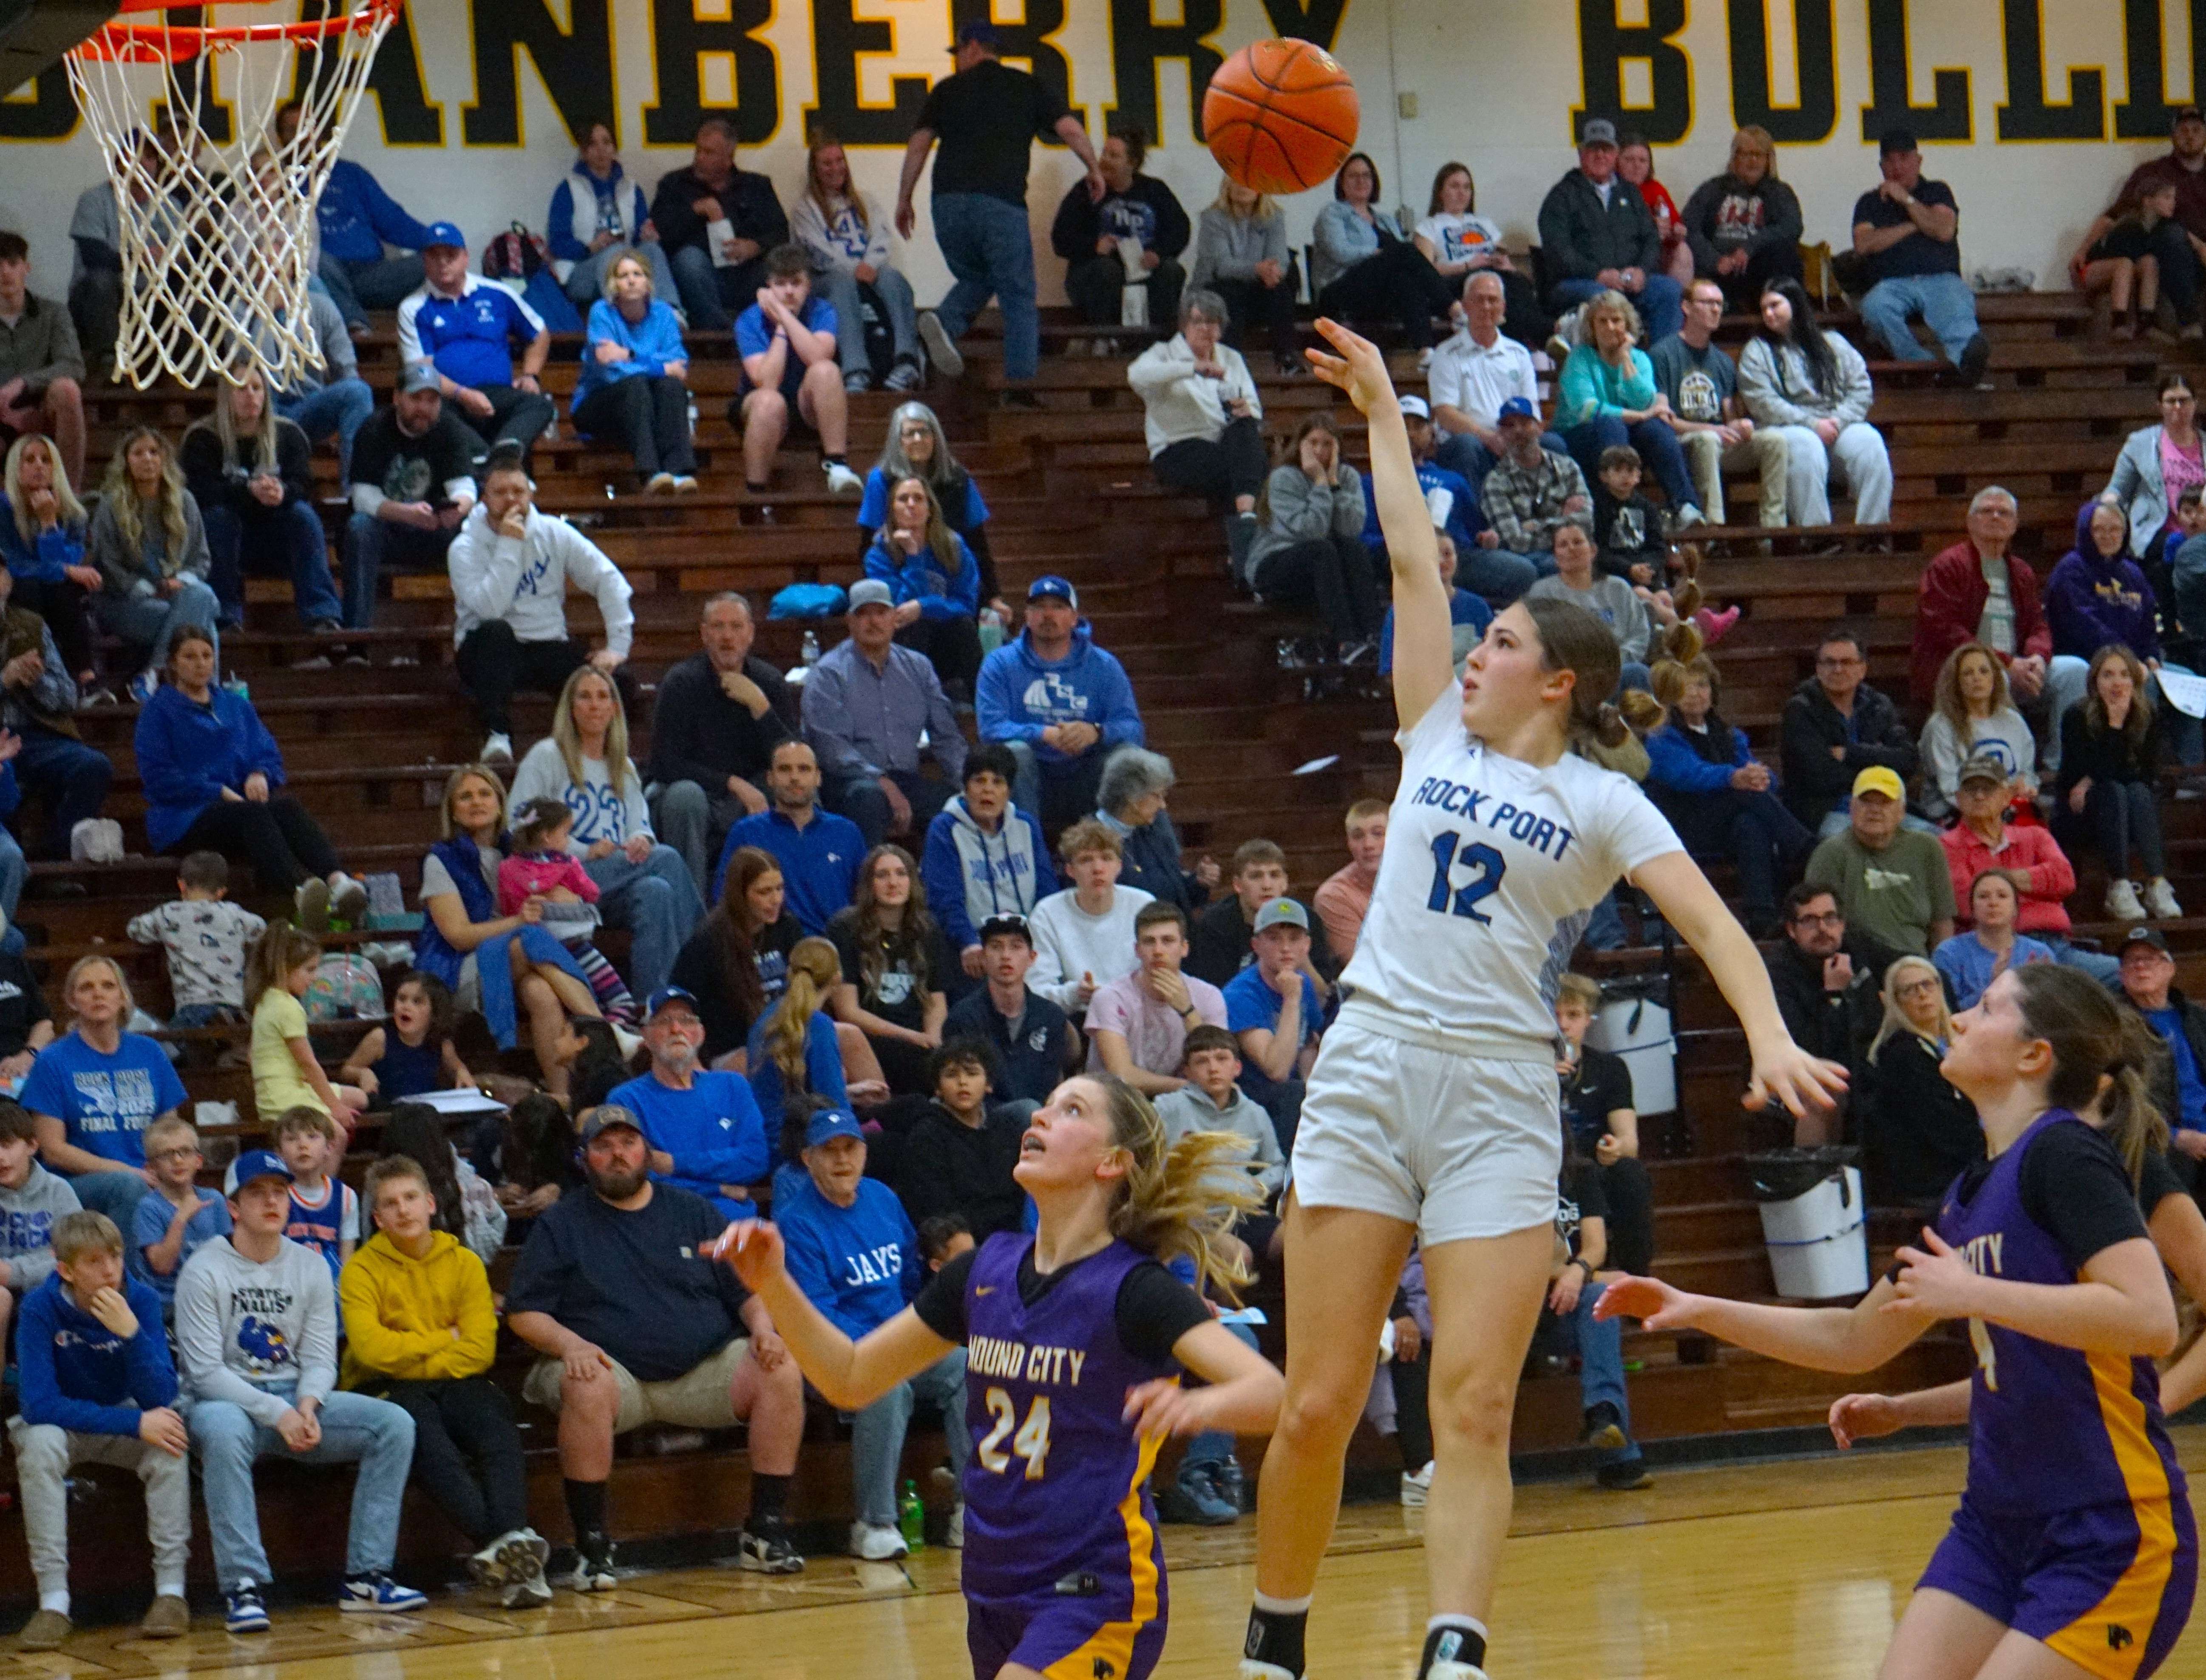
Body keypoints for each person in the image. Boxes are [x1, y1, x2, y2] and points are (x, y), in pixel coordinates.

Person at [1239, 314, 1843, 1680]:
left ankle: (1454, 1651)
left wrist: (1764, 1030)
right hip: (1372, 1060)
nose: (1472, 644)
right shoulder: (1431, 725)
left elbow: (1707, 923)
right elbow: (1407, 552)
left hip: (1501, 1092)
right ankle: (1272, 1646)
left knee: (1473, 1400)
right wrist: (1388, 414)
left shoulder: (1599, 796)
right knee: (1320, 1399)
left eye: (1498, 637)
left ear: (1554, 678)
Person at [1599, 963, 2193, 1680]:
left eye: (1988, 1006)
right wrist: (1697, 1306)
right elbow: (1854, 1338)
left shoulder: (2065, 1154)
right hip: (1995, 1525)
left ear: (2035, 1055)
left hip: (2105, 1529)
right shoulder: (1968, 1195)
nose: (1962, 1015)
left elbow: (2151, 1319)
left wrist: (1975, 1291)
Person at [719, 1073, 1282, 1680]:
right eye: (1044, 1104)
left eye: (1070, 1110)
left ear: (1112, 1162)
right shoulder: (980, 1271)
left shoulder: (1136, 1290)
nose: (1039, 1117)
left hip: (1094, 1592)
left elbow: (1272, 1395)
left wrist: (1196, 1409)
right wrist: (773, 1284)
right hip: (993, 1587)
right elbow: (850, 1378)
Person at [504, 1104, 808, 1586]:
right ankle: (593, 1546)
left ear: (645, 1150)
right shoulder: (561, 1223)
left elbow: (744, 1292)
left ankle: (765, 1529)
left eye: (627, 1142)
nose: (618, 1154)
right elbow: (523, 1311)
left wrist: (764, 1330)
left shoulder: (694, 1211)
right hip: (611, 1372)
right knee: (585, 1381)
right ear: (585, 1159)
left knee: (781, 1368)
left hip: (699, 1371)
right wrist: (570, 1343)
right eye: (603, 1146)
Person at [179, 1148, 428, 1632]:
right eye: (257, 1193)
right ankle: (244, 1585)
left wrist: (309, 1404)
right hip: (225, 1402)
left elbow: (319, 1357)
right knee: (226, 1430)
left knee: (393, 1423)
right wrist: (279, 1412)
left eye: (279, 1190)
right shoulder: (204, 1268)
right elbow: (205, 1371)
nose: (272, 1201)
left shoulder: (312, 1266)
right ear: (233, 1206)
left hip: (297, 1398)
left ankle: (366, 1576)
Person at [341, 1154, 552, 1607]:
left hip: (450, 1376)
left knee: (494, 1420)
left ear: (431, 1203)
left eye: (411, 1198)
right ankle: (508, 1543)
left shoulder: (464, 1263)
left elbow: (480, 1349)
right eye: (391, 1204)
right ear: (378, 1218)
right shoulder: (361, 1270)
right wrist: (443, 1338)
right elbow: (373, 1352)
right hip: (380, 1384)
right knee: (423, 1431)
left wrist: (412, 1346)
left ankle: (507, 1547)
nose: (404, 1210)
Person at [776, 1105, 970, 1558]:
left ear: (864, 1152)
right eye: (830, 1151)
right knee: (886, 1384)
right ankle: (874, 1521)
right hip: (833, 1353)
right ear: (808, 1159)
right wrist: (888, 1349)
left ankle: (973, 1511)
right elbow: (818, 1314)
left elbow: (908, 1278)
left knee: (969, 1365)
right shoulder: (797, 1221)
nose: (843, 1160)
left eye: (851, 1148)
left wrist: (912, 1333)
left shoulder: (883, 1198)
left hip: (896, 1342)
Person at [10, 1209, 190, 1649]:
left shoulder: (142, 1299)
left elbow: (160, 1395)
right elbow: (38, 1404)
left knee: (171, 1438)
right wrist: (133, 1421)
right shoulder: (39, 1306)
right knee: (38, 1444)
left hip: (125, 1417)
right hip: (67, 1424)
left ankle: (171, 1592)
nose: (110, 1269)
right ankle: (53, 1601)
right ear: (66, 1269)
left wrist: (131, 1334)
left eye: (114, 1255)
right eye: (94, 1261)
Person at [898, 20, 1105, 397]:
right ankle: (1021, 387)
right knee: (1017, 293)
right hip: (1000, 205)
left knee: (979, 276)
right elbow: (1070, 130)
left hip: (947, 205)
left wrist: (904, 198)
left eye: (959, 52)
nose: (958, 60)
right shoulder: (1026, 86)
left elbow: (918, 144)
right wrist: (1092, 167)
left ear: (973, 46)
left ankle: (942, 324)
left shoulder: (946, 90)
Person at [133, 628, 363, 919]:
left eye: (206, 655)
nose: (200, 663)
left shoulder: (235, 706)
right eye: (190, 657)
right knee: (252, 814)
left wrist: (260, 773)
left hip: (240, 807)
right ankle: (300, 892)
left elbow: (267, 752)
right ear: (174, 664)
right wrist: (215, 791)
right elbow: (159, 777)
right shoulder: (157, 713)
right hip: (186, 818)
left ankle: (338, 881)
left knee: (286, 807)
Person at [510, 665, 705, 997]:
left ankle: (653, 1007)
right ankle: (705, 958)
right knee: (668, 861)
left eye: (603, 697)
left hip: (611, 882)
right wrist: (584, 851)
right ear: (571, 708)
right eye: (585, 697)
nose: (595, 705)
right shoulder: (547, 756)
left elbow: (638, 825)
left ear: (615, 708)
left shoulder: (622, 765)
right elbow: (518, 824)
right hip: (559, 882)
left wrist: (641, 840)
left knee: (656, 891)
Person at [415, 765, 603, 1099]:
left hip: (518, 960)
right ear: (453, 809)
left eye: (485, 793)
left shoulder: (519, 850)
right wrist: (519, 921)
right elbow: (458, 935)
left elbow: (563, 883)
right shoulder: (440, 859)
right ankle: (600, 1027)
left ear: (501, 803)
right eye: (466, 796)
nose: (477, 802)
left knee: (541, 991)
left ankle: (562, 1099)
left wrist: (565, 895)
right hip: (458, 966)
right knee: (526, 942)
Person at [1645, 653, 1811, 938]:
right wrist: (1734, 777)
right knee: (1745, 796)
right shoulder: (1660, 735)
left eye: (1702, 685)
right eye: (1685, 687)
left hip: (1725, 822)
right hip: (1682, 826)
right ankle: (1807, 849)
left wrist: (1761, 777)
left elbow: (1757, 774)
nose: (1695, 694)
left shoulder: (1729, 734)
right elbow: (1687, 775)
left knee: (1751, 823)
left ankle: (1761, 916)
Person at [21, 955, 189, 1233]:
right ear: (71, 1001)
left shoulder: (150, 1052)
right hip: (77, 1182)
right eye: (86, 987)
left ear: (123, 997)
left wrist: (168, 1169)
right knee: (130, 1187)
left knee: (211, 1200)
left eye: (108, 986)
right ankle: (129, 1277)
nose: (98, 993)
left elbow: (171, 1132)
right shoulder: (52, 1060)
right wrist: (125, 1170)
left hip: (148, 1174)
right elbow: (53, 1150)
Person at [647, 592, 792, 897]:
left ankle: (788, 910)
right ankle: (693, 916)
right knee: (685, 797)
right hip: (696, 794)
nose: (727, 636)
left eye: (737, 627)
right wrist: (733, 783)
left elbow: (791, 757)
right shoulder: (681, 682)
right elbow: (665, 762)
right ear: (704, 634)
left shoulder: (770, 681)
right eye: (718, 626)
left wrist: (761, 707)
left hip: (749, 795)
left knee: (796, 788)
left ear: (751, 633)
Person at [178, 366, 340, 633]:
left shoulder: (288, 434)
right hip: (224, 544)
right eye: (241, 388)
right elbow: (199, 492)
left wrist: (283, 492)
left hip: (276, 540)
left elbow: (303, 484)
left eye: (257, 388)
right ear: (226, 396)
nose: (250, 396)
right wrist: (248, 491)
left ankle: (322, 614)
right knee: (218, 518)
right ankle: (226, 616)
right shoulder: (203, 437)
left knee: (303, 514)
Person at [802, 580, 963, 849]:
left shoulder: (919, 668)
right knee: (870, 798)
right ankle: (865, 885)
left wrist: (966, 786)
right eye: (863, 614)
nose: (873, 622)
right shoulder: (828, 673)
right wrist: (882, 782)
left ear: (895, 618)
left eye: (881, 613)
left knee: (954, 806)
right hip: (849, 783)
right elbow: (831, 748)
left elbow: (946, 736)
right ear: (849, 622)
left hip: (906, 778)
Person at [976, 576, 1145, 831]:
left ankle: (1133, 859)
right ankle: (1028, 849)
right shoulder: (1000, 664)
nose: (1048, 615)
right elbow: (990, 728)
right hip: (1027, 776)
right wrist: (1044, 734)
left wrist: (1096, 732)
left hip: (1086, 773)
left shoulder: (1104, 666)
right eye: (1038, 607)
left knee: (1131, 759)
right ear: (1027, 616)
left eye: (1058, 607)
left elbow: (1133, 728)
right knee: (1016, 753)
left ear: (1075, 618)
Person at [1940, 755, 2117, 986]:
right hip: (1994, 949)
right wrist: (2036, 883)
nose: (1980, 796)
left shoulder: (2034, 835)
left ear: (2006, 797)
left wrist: (2001, 882)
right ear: (1958, 799)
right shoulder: (1947, 845)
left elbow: (2065, 879)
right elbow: (1966, 903)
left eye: (1988, 789)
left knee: (2122, 974)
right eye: (1971, 790)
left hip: (2056, 946)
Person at [1129, 289, 1267, 569]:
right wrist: (1191, 368)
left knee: (1246, 430)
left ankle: (1245, 527)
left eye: (1213, 322)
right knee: (1253, 467)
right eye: (1199, 321)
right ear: (1184, 325)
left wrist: (1244, 408)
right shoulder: (1163, 354)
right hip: (1178, 449)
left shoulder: (1231, 358)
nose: (1206, 328)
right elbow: (1137, 376)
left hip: (1226, 442)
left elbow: (1254, 404)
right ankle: (1248, 527)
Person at [1737, 279, 1893, 527]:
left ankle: (1872, 532)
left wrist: (1838, 421)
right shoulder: (1757, 351)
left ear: (1795, 304)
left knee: (1870, 441)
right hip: (1788, 427)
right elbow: (1763, 403)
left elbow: (1861, 389)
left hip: (1838, 423)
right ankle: (1816, 535)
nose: (1768, 313)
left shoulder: (1834, 342)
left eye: (1775, 305)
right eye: (1764, 308)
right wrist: (1811, 424)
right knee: (1805, 443)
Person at [609, 986, 772, 1222]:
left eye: (687, 1020)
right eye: (665, 1021)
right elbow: (642, 1179)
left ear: (701, 1033)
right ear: (646, 1035)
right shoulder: (626, 1100)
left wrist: (674, 1163)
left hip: (739, 1229)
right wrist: (719, 1189)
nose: (677, 1029)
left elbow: (756, 1160)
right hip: (670, 1228)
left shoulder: (733, 1086)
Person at [396, 226, 555, 462]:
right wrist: (463, 394)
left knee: (540, 406)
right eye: (434, 256)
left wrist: (531, 375)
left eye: (450, 256)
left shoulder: (498, 293)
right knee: (431, 414)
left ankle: (505, 451)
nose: (443, 263)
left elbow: (539, 333)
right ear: (424, 261)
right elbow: (422, 372)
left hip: (499, 393)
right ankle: (487, 461)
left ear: (466, 258)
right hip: (448, 399)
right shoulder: (413, 308)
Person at [343, 363, 479, 632]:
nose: (424, 408)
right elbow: (363, 498)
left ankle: (470, 633)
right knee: (359, 527)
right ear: (397, 398)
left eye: (432, 401)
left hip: (433, 529)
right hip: (389, 530)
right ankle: (356, 641)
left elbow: (465, 489)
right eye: (416, 399)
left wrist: (456, 511)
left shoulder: (449, 429)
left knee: (478, 527)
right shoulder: (374, 429)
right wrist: (408, 514)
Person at [86, 427, 218, 703]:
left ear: (164, 459)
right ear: (126, 461)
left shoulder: (185, 501)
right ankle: (207, 692)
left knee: (198, 600)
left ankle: (153, 674)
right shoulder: (110, 505)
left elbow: (201, 559)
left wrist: (180, 581)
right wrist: (147, 589)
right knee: (202, 617)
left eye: (154, 452)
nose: (147, 459)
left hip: (177, 596)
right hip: (124, 601)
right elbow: (107, 566)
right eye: (138, 453)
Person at [1851, 128, 1991, 385]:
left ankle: (1966, 365)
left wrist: (1905, 200)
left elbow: (1943, 230)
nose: (1897, 166)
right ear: (1881, 166)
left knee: (1955, 306)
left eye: (1904, 158)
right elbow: (1865, 244)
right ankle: (1925, 366)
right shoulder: (1869, 203)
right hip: (1891, 284)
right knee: (1874, 308)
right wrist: (1915, 226)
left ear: (1918, 161)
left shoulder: (1937, 191)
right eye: (1890, 160)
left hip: (1940, 279)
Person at [2056, 643, 2181, 923]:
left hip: (2131, 812)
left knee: (2135, 791)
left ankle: (2158, 884)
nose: (2117, 683)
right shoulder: (2076, 716)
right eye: (2108, 675)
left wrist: (2091, 778)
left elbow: (2146, 776)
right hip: (2084, 814)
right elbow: (2072, 776)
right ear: (2094, 681)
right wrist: (2113, 726)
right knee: (2113, 790)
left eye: (2124, 674)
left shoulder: (2147, 714)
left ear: (2134, 681)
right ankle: (2119, 885)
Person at [1554, 288, 1701, 523]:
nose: (1610, 327)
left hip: (1622, 436)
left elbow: (1646, 401)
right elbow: (1587, 410)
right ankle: (1618, 510)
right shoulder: (1580, 358)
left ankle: (1685, 506)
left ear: (1628, 324)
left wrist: (1625, 358)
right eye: (1602, 321)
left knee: (1657, 430)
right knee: (1611, 426)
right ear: (1592, 327)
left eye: (1617, 321)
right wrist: (1639, 416)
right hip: (1580, 435)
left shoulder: (1640, 359)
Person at [1652, 278, 1789, 527]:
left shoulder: (1723, 361)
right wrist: (1712, 430)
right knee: (1707, 440)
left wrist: (1741, 425)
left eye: (1720, 304)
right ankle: (1714, 529)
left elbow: (1728, 417)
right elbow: (1663, 420)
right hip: (1682, 443)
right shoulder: (1663, 354)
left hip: (1719, 441)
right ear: (1686, 307)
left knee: (1774, 441)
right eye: (1708, 303)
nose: (1716, 310)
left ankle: (1774, 528)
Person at [791, 130, 922, 394]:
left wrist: (871, 264)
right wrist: (855, 270)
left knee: (893, 278)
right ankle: (855, 370)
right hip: (826, 279)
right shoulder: (805, 209)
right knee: (841, 284)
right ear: (815, 170)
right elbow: (818, 252)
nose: (835, 168)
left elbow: (881, 237)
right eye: (827, 163)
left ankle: (907, 361)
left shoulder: (865, 201)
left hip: (866, 271)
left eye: (839, 161)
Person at [1246, 412, 1381, 660]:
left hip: (1323, 569)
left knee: (1354, 549)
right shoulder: (1283, 478)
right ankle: (1345, 642)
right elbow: (1310, 532)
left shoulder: (1348, 477)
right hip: (1275, 563)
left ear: (1338, 448)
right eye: (1313, 443)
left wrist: (1333, 483)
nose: (1319, 451)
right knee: (1321, 550)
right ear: (1300, 445)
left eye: (1327, 444)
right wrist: (1320, 483)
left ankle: (1375, 638)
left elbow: (1351, 529)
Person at [1537, 116, 1684, 343]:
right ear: (1581, 154)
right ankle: (1609, 368)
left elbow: (1651, 240)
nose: (1600, 155)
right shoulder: (1561, 197)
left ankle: (1659, 369)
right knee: (1605, 299)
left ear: (1615, 155)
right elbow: (1558, 252)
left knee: (1669, 291)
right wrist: (1598, 274)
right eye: (1593, 149)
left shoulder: (1631, 193)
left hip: (1630, 283)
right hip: (1580, 284)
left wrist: (1642, 272)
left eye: (1606, 149)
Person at [1765, 883, 1896, 1138]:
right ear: (1792, 930)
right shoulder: (1779, 972)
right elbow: (1807, 1047)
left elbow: (1908, 964)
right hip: (1806, 1070)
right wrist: (1834, 995)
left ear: (1843, 924)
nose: (1823, 929)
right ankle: (1818, 1175)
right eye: (1810, 921)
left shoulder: (1857, 948)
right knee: (1824, 1093)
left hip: (1867, 1063)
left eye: (1830, 918)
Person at [0, 555, 106, 867]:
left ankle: (56, 857)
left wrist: (36, 682)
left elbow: (68, 698)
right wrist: (5, 680)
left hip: (37, 736)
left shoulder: (30, 624)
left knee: (93, 765)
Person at [733, 243, 862, 497]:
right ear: (768, 286)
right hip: (760, 406)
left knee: (826, 370)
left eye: (797, 283)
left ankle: (837, 465)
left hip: (807, 402)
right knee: (770, 401)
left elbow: (818, 357)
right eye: (781, 283)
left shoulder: (822, 311)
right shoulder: (749, 320)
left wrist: (783, 315)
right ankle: (755, 492)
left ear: (808, 286)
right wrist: (782, 328)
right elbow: (766, 381)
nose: (789, 291)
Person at [856, 403, 1006, 620]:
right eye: (910, 434)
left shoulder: (959, 480)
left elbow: (978, 543)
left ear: (936, 437)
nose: (918, 439)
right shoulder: (880, 480)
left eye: (924, 432)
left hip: (951, 582)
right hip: (899, 584)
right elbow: (869, 544)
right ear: (897, 441)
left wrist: (994, 597)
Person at [1908, 488, 2053, 712]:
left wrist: (2037, 658)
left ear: (2014, 525)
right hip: (1961, 669)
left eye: (2003, 513)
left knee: (2073, 672)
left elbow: (2038, 624)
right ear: (1970, 522)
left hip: (2017, 666)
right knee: (1992, 680)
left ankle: (2059, 749)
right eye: (1987, 511)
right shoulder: (1948, 566)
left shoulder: (2022, 572)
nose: (1995, 517)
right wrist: (2004, 663)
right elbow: (1944, 629)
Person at [1857, 955, 1983, 1212]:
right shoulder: (1902, 1054)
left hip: (1958, 1162)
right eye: (1909, 990)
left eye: (1928, 984)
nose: (1922, 995)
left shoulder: (1954, 1043)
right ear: (1895, 1002)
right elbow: (1941, 1127)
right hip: (1931, 1176)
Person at [498, 799, 637, 1026]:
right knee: (621, 1000)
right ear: (547, 837)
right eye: (565, 834)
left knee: (589, 993)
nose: (568, 841)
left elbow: (508, 907)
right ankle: (613, 1029)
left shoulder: (507, 868)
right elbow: (592, 892)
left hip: (535, 942)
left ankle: (603, 1028)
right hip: (574, 943)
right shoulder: (566, 864)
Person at [828, 844, 951, 1095]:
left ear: (913, 881)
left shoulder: (928, 929)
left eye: (901, 873)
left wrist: (933, 1040)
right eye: (882, 875)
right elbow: (848, 1011)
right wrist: (913, 1038)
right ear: (868, 885)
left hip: (917, 1039)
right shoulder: (845, 929)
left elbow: (936, 1001)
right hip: (869, 1040)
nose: (893, 883)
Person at [1553, 975, 1654, 1278]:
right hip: (1549, 1165)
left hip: (1594, 1161)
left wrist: (1615, 1148)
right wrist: (1544, 1079)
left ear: (1588, 1020)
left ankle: (1636, 1277)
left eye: (1573, 1015)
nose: (1563, 1025)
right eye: (1555, 1015)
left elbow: (1629, 1141)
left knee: (1630, 1173)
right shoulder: (1527, 1069)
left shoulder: (1610, 1068)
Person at [1426, 271, 1563, 492]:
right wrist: (1489, 438)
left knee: (1553, 444)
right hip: (1469, 442)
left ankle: (1551, 518)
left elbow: (1532, 409)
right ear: (1465, 306)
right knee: (1466, 446)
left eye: (1493, 300)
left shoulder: (1518, 353)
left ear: (1503, 307)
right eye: (1479, 300)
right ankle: (1474, 524)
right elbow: (1445, 414)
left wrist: (1516, 437)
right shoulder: (1445, 354)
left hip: (1514, 438)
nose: (1487, 307)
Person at [573, 250, 697, 494]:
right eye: (623, 276)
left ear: (648, 282)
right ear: (613, 285)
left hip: (647, 403)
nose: (631, 280)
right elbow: (609, 367)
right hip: (598, 405)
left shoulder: (663, 313)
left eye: (637, 274)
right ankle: (651, 474)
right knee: (637, 385)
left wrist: (629, 356)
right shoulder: (602, 311)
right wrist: (659, 366)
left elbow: (679, 367)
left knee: (670, 387)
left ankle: (679, 473)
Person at [301, 105, 435, 329]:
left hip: (371, 276)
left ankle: (347, 307)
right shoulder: (278, 182)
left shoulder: (351, 175)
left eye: (307, 129)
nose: (301, 136)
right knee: (317, 259)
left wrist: (437, 242)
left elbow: (393, 221)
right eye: (291, 129)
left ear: (320, 133)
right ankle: (356, 323)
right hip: (323, 278)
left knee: (431, 261)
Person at [1778, 624, 1918, 836]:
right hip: (1827, 812)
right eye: (1829, 663)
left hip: (1886, 810)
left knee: (1936, 841)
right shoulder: (1801, 710)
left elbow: (1908, 758)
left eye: (1846, 662)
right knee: (1855, 845)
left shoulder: (1879, 705)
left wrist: (1851, 753)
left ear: (1862, 669)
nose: (1838, 670)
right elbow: (1819, 777)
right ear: (1818, 669)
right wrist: (1880, 769)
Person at [1052, 123, 1189, 340]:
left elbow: (1180, 230)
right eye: (1104, 153)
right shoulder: (1085, 191)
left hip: (1142, 270)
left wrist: (1158, 252)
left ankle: (1158, 342)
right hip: (1097, 273)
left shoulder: (1155, 190)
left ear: (1132, 163)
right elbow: (1060, 239)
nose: (1104, 160)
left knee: (1172, 271)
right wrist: (1095, 246)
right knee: (1106, 271)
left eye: (1114, 156)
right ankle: (1104, 339)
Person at [651, 117, 789, 332]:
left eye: (709, 153)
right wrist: (694, 211)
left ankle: (762, 331)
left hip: (747, 275)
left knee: (778, 267)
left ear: (728, 159)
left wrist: (755, 246)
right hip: (701, 279)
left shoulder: (756, 186)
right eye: (698, 150)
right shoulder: (675, 185)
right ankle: (723, 333)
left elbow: (781, 233)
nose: (699, 158)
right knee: (689, 260)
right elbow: (659, 234)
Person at [1311, 152, 1452, 360]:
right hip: (1340, 290)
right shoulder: (1332, 214)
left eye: (1366, 176)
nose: (1361, 181)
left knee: (1405, 279)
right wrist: (1375, 253)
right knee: (1404, 251)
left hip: (1377, 293)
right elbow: (1340, 252)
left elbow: (1400, 262)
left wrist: (1386, 257)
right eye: (1353, 176)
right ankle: (1452, 307)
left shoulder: (1385, 220)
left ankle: (1426, 351)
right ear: (1342, 182)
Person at [718, 738, 866, 934]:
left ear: (818, 777)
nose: (795, 777)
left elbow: (867, 902)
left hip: (835, 952)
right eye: (785, 769)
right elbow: (726, 900)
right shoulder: (746, 833)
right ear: (770, 778)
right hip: (771, 950)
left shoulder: (848, 833)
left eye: (804, 769)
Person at [1805, 767, 1956, 958]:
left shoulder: (1927, 848)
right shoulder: (1830, 853)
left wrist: (1941, 973)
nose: (1875, 810)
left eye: (1885, 802)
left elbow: (1942, 922)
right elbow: (1817, 925)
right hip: (1858, 967)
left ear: (1902, 811)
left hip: (1915, 967)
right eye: (1866, 802)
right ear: (1851, 808)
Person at [1087, 901, 1229, 1097]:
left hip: (1185, 1102)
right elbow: (1122, 1075)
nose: (1158, 951)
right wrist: (1187, 1087)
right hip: (1118, 1102)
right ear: (1137, 950)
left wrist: (1188, 1011)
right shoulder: (1111, 998)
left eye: (1168, 941)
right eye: (1149, 942)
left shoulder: (1209, 996)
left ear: (1184, 948)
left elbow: (1218, 1067)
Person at [896, 1038, 1031, 1238]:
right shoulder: (925, 1137)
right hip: (962, 1246)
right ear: (938, 1088)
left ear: (989, 1085)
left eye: (972, 1073)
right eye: (952, 1075)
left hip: (1016, 1239)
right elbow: (934, 1215)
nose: (962, 1082)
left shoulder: (1008, 1129)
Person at [865, 473, 984, 695]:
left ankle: (978, 708)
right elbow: (899, 610)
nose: (911, 504)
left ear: (930, 509)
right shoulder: (879, 555)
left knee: (964, 626)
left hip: (948, 638)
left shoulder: (954, 546)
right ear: (892, 510)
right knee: (915, 626)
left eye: (918, 498)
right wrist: (913, 557)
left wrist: (924, 606)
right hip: (904, 640)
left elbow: (967, 604)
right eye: (903, 499)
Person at [1414, 162, 1549, 352]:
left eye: (1466, 187)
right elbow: (1426, 271)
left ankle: (1525, 349)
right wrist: (1468, 265)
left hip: (1492, 275)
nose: (1462, 193)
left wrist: (1505, 263)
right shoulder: (1429, 226)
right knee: (1501, 291)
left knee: (1518, 283)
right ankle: (1545, 337)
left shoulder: (1484, 223)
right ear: (1440, 192)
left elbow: (1500, 252)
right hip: (1458, 280)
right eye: (1455, 186)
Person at [942, 913, 1075, 1107]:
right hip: (984, 1121)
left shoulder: (1051, 1015)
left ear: (1032, 958)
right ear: (983, 959)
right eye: (996, 947)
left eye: (1016, 946)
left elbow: (1053, 1082)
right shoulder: (963, 1018)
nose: (1006, 956)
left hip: (1040, 1118)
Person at [1222, 898, 1324, 1152]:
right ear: (1256, 945)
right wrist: (1291, 1000)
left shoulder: (1303, 982)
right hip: (1251, 1098)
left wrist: (1318, 1092)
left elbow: (1309, 1046)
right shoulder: (1240, 994)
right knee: (1293, 1093)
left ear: (1307, 945)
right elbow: (1276, 1070)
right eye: (1274, 938)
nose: (1285, 948)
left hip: (1294, 1093)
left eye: (1294, 938)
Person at [547, 119, 680, 312]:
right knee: (614, 252)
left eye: (607, 143)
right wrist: (590, 247)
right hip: (582, 271)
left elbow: (639, 236)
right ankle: (621, 314)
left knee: (652, 250)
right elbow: (557, 243)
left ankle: (669, 313)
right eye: (593, 144)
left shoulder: (631, 188)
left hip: (625, 261)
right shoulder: (569, 188)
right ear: (584, 152)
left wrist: (647, 236)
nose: (601, 150)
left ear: (615, 149)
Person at [0, 432, 95, 697]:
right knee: (31, 587)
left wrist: (49, 524)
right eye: (29, 460)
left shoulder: (75, 514)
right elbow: (12, 565)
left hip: (55, 593)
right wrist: (63, 570)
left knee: (63, 589)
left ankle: (85, 676)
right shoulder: (3, 509)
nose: (39, 466)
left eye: (46, 460)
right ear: (16, 469)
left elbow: (66, 567)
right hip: (17, 591)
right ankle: (38, 672)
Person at [128, 850, 265, 1032]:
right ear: (221, 892)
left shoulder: (169, 914)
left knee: (173, 1052)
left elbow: (135, 929)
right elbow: (261, 928)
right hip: (234, 1007)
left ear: (181, 886)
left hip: (192, 1007)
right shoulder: (235, 915)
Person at [1028, 819, 1152, 1022]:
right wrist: (1075, 994)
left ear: (1119, 866)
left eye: (1106, 858)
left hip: (1138, 1013)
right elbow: (1036, 990)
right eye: (1086, 860)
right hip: (1079, 1017)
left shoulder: (1143, 904)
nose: (1098, 869)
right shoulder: (1047, 912)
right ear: (1070, 870)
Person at [252, 929, 367, 1133]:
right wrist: (335, 1108)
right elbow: (307, 1063)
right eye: (310, 970)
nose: (314, 978)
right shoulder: (288, 1007)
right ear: (286, 968)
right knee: (337, 1133)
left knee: (360, 1098)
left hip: (287, 1089)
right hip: (284, 1098)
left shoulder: (266, 999)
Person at [1154, 1023, 1285, 1201]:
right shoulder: (1167, 1108)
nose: (1213, 1069)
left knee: (1282, 1231)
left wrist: (1253, 1188)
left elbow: (1277, 1167)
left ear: (1237, 1068)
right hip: (1182, 1210)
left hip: (1237, 1207)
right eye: (1202, 1061)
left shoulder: (1255, 1114)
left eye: (1222, 1059)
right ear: (1187, 1072)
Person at [1679, 126, 1804, 310]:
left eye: (1759, 155)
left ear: (1769, 160)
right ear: (1735, 158)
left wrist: (1750, 248)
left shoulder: (1780, 193)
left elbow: (1792, 227)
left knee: (1784, 255)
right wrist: (1715, 260)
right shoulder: (1713, 189)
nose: (1753, 161)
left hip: (1760, 271)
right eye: (1747, 154)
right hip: (1719, 270)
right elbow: (1689, 227)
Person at [1188, 838, 1337, 992]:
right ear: (1238, 885)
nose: (1267, 886)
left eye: (1274, 875)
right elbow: (1215, 994)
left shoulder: (1306, 919)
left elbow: (1323, 996)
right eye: (1256, 876)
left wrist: (1301, 957)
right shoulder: (1214, 924)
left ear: (1285, 882)